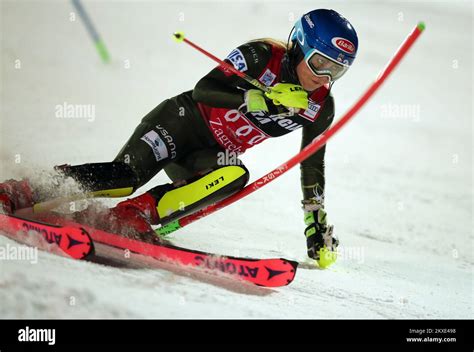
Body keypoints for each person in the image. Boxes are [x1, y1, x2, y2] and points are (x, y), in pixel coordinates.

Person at [0, 9, 358, 265]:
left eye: (337, 69)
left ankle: (131, 216)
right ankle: (24, 190)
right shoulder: (262, 55)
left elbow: (311, 163)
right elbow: (204, 90)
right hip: (180, 122)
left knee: (235, 173)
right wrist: (259, 96)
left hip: (208, 153)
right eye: (319, 63)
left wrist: (315, 220)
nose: (324, 77)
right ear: (298, 46)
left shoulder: (319, 106)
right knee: (124, 177)